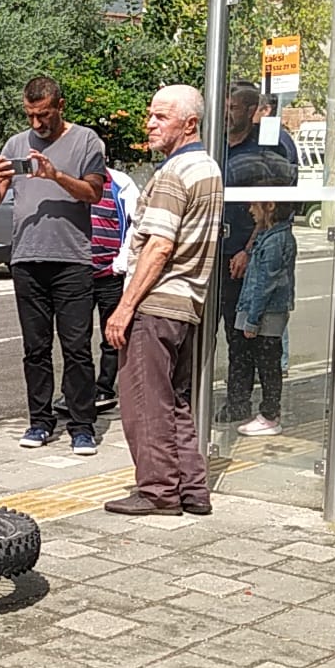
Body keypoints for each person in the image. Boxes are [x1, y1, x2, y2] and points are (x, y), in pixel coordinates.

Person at [104, 85, 224, 516]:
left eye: (161, 117)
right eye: (150, 115)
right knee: (175, 400)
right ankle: (192, 489)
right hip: (187, 304)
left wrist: (124, 308)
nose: (150, 124)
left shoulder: (174, 174)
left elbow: (158, 246)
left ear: (189, 124)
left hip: (156, 304)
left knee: (144, 401)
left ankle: (157, 492)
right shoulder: (208, 168)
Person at [0, 76, 109, 456]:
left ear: (60, 106)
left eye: (43, 115)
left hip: (71, 259)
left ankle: (82, 426)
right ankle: (40, 421)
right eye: (30, 116)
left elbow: (95, 193)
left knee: (76, 347)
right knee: (35, 348)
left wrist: (55, 176)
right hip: (26, 259)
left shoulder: (86, 141)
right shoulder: (15, 144)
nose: (37, 124)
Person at [219, 82, 297, 425]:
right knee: (220, 330)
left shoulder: (268, 148)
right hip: (216, 250)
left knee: (244, 336)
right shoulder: (217, 147)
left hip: (244, 254)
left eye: (234, 107)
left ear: (253, 111)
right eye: (225, 106)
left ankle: (242, 402)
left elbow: (270, 208)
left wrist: (248, 250)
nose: (227, 113)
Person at [55, 164, 138, 418]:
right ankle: (74, 391)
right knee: (74, 339)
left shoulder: (119, 184)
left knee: (112, 336)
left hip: (110, 274)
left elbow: (134, 224)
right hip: (77, 274)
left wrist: (121, 262)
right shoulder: (73, 182)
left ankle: (104, 389)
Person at [232, 200, 296, 437]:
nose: (250, 210)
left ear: (269, 207)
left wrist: (252, 319)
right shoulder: (272, 236)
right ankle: (268, 413)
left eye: (254, 205)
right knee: (265, 362)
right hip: (265, 310)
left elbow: (265, 284)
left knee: (268, 364)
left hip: (267, 313)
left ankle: (270, 415)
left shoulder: (275, 241)